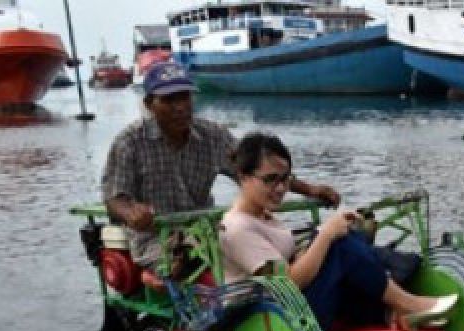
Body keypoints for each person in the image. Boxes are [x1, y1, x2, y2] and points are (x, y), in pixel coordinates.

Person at [101, 61, 339, 269]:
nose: (180, 106)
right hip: (158, 241)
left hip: (209, 230)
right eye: (169, 100)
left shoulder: (211, 135)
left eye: (184, 96)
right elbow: (114, 198)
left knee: (274, 245)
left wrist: (310, 190)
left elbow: (259, 169)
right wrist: (131, 212)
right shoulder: (129, 142)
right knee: (206, 261)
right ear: (150, 104)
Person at [220, 132, 457, 331]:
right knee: (340, 245)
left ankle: (390, 313)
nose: (281, 188)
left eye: (285, 179)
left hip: (291, 309)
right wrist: (326, 236)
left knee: (347, 237)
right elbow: (289, 283)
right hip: (277, 323)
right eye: (270, 180)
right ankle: (408, 304)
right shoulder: (238, 228)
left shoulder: (263, 215)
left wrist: (323, 236)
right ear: (243, 177)